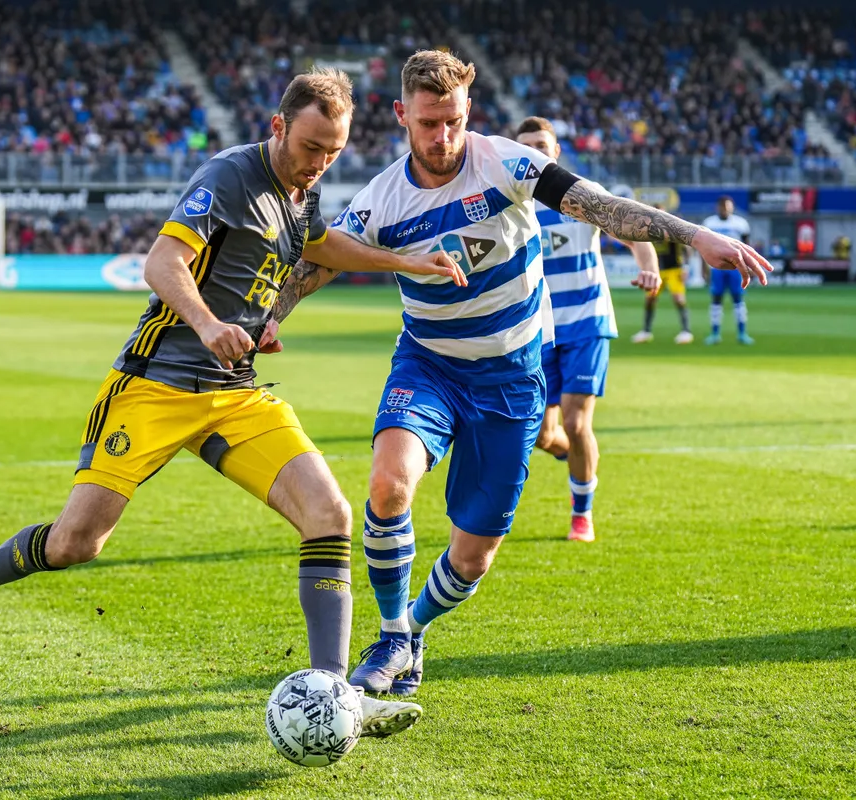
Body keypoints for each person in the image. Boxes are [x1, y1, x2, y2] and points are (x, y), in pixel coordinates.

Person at [0, 69, 466, 737]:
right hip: (157, 386)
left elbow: (321, 244)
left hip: (232, 393)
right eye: (311, 146)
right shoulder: (229, 175)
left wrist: (406, 261)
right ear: (279, 126)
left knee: (330, 513)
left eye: (334, 153)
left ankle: (339, 693)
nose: (319, 164)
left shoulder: (301, 192)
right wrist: (206, 324)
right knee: (76, 542)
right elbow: (163, 262)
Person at [267, 51, 772, 696]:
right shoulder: (382, 198)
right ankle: (393, 636)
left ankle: (416, 632)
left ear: (468, 111)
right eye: (428, 124)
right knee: (388, 485)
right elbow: (320, 265)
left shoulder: (507, 162)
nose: (443, 137)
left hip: (511, 377)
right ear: (402, 117)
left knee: (472, 555)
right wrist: (271, 315)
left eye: (452, 121)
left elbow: (603, 206)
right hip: (428, 365)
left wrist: (694, 237)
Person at [513, 116, 661, 542]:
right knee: (544, 435)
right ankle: (580, 459)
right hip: (539, 330)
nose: (536, 152)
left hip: (587, 321)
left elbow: (635, 233)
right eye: (527, 147)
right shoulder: (511, 202)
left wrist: (648, 270)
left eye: (542, 144)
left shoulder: (583, 193)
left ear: (556, 151)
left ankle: (582, 514)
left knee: (577, 424)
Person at [633, 204, 693, 345]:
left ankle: (686, 331)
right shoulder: (647, 230)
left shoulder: (673, 229)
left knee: (678, 299)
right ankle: (646, 331)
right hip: (656, 270)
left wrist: (686, 267)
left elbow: (686, 249)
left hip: (674, 269)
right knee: (650, 299)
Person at [701, 196, 754, 345]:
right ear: (717, 207)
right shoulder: (709, 223)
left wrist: (749, 266)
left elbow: (747, 247)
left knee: (738, 300)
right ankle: (715, 333)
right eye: (722, 206)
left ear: (732, 207)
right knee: (716, 300)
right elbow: (703, 248)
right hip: (716, 268)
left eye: (727, 206)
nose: (725, 209)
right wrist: (703, 268)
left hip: (735, 268)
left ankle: (742, 333)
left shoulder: (740, 224)